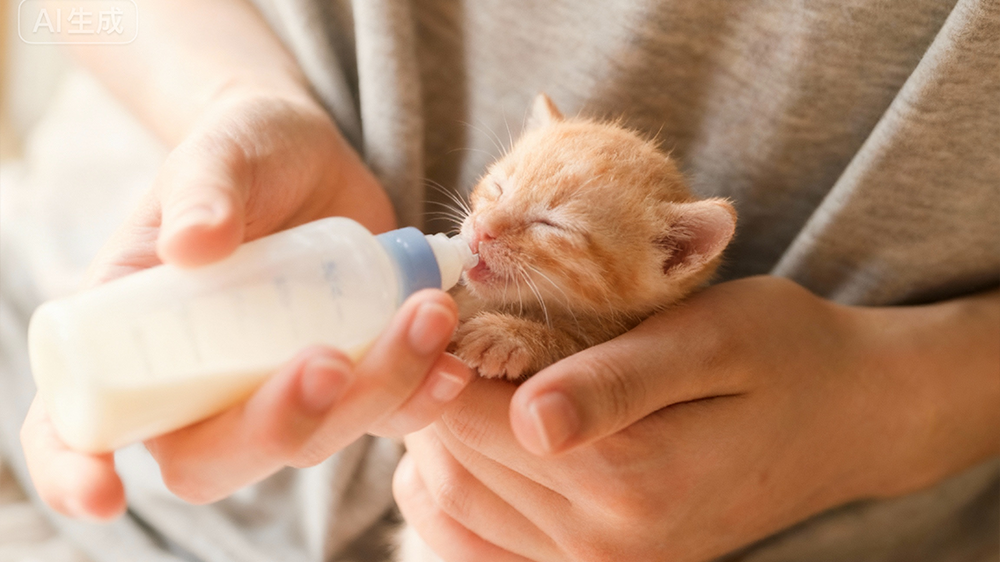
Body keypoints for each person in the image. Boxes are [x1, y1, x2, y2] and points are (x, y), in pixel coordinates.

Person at [15, 0, 999, 560]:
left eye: (553, 223)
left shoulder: (657, 261)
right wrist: (228, 98)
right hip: (83, 458)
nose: (479, 225)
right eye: (491, 191)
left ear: (678, 255)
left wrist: (895, 409)